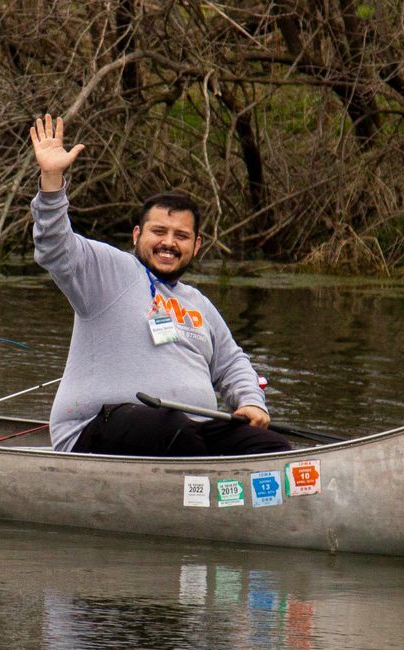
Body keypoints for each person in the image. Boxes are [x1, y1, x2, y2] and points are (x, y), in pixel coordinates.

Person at [28, 113, 290, 458]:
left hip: (189, 430)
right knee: (172, 430)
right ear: (137, 235)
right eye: (158, 232)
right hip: (100, 427)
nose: (169, 243)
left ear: (196, 246)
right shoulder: (109, 270)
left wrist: (252, 402)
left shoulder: (199, 303)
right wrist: (51, 178)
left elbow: (232, 363)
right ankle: (196, 493)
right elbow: (54, 246)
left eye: (181, 236)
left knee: (270, 446)